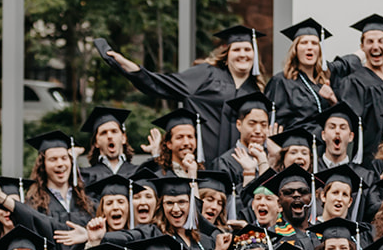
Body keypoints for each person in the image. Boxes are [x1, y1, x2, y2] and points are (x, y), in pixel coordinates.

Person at [105, 25, 268, 161]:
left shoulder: (257, 91)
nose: (243, 54)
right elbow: (163, 84)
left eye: (247, 49)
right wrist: (129, 67)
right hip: (201, 164)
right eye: (237, 49)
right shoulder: (206, 74)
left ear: (254, 55)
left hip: (240, 167)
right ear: (227, 55)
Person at [327, 13, 383, 159]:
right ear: (362, 47)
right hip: (370, 158)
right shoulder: (354, 82)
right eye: (370, 42)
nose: (376, 46)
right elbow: (349, 122)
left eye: (381, 41)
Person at [77, 105, 134, 186]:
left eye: (114, 131)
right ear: (96, 142)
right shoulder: (86, 176)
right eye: (103, 133)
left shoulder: (138, 172)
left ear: (123, 138)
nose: (109, 136)